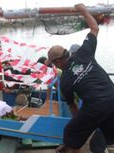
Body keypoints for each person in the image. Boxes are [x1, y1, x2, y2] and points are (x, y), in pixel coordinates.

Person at [46, 3, 114, 153]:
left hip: (96, 106)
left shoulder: (65, 82)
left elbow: (73, 108)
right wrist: (84, 11)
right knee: (110, 136)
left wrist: (79, 126)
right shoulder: (84, 52)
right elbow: (95, 28)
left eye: (53, 63)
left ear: (57, 62)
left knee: (70, 133)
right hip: (112, 97)